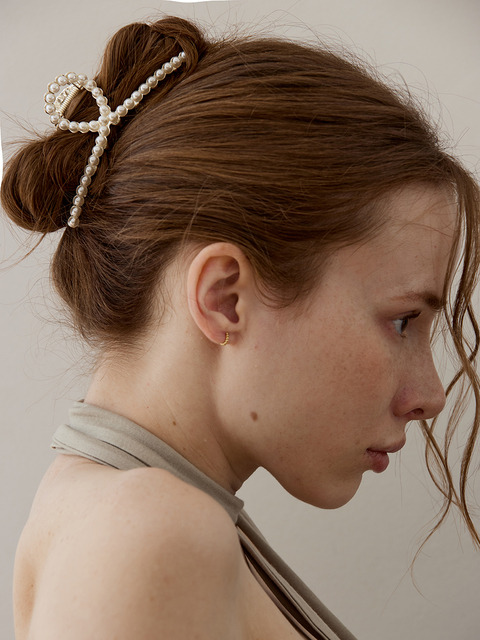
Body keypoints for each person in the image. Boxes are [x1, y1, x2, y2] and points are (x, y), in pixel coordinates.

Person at [1, 14, 479, 640]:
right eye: (402, 320)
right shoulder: (151, 533)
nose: (431, 395)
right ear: (225, 298)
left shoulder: (125, 517)